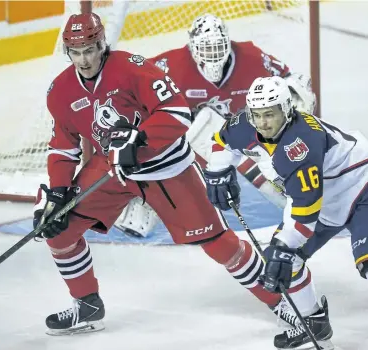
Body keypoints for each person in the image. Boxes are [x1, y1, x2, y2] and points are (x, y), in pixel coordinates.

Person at [34, 12, 292, 337]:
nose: (85, 59)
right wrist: (58, 193)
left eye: (90, 49)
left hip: (166, 166)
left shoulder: (134, 68)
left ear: (102, 43)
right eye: (77, 51)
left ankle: (282, 301)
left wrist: (140, 138)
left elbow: (178, 111)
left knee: (219, 244)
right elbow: (63, 147)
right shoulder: (60, 90)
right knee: (58, 230)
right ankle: (87, 306)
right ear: (67, 52)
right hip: (111, 169)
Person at [115, 13, 316, 238]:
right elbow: (131, 91)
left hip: (246, 131)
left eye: (218, 47)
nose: (213, 55)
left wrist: (297, 96)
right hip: (191, 141)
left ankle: (299, 194)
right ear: (192, 47)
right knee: (197, 125)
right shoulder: (170, 65)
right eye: (206, 48)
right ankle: (148, 199)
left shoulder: (252, 58)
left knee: (272, 150)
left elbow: (290, 80)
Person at [205, 75, 368, 349]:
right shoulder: (246, 124)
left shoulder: (299, 144)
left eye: (270, 114)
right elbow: (222, 141)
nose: (263, 122)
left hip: (360, 186)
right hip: (325, 200)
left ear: (286, 110)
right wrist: (217, 171)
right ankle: (313, 323)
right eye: (257, 115)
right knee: (284, 261)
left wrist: (283, 246)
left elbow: (305, 210)